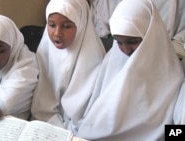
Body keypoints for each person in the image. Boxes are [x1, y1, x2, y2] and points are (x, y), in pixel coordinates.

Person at [75, 0, 184, 140]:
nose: (125, 50)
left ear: (150, 35)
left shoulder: (173, 76)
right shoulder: (112, 60)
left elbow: (177, 130)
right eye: (119, 42)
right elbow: (96, 111)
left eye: (132, 42)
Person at [30, 0, 106, 129]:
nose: (57, 33)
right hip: (43, 125)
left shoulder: (94, 59)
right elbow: (40, 102)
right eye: (52, 25)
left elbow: (88, 112)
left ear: (81, 24)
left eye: (66, 26)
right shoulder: (45, 49)